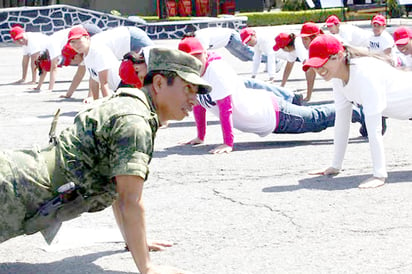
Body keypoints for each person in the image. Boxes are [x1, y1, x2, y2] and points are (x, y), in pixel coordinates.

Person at [0, 47, 211, 274]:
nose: (194, 100)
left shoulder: (130, 104)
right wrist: (147, 267)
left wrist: (134, 241)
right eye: (188, 89)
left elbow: (117, 191)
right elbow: (130, 200)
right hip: (14, 193)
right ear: (159, 83)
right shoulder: (135, 122)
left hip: (19, 182)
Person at [177, 37, 363, 154]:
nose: (194, 61)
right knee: (315, 117)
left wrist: (228, 143)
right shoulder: (194, 75)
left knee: (317, 119)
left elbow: (226, 109)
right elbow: (199, 104)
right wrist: (200, 136)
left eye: (197, 56)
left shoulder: (215, 71)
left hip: (271, 114)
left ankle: (360, 112)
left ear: (204, 53)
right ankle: (357, 111)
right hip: (265, 115)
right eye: (189, 59)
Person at [303, 34, 412, 189]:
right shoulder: (336, 78)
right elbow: (341, 121)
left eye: (323, 63)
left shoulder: (365, 74)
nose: (319, 69)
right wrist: (335, 165)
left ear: (339, 56)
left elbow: (374, 129)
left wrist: (379, 175)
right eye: (315, 64)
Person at [118, 48, 304, 106]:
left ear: (136, 65)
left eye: (137, 74)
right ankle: (289, 96)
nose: (140, 77)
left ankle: (289, 97)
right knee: (247, 85)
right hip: (200, 72)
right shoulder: (149, 63)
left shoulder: (154, 58)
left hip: (205, 68)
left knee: (247, 85)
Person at [67, 26, 122, 100]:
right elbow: (94, 81)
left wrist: (107, 106)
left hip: (124, 86)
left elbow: (104, 83)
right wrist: (95, 104)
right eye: (72, 42)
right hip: (116, 89)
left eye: (78, 40)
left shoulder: (97, 51)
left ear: (87, 38)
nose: (76, 45)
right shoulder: (86, 54)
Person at [185, 27, 264, 62]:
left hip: (231, 37)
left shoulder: (200, 38)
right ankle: (267, 61)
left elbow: (204, 54)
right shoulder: (197, 37)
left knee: (250, 54)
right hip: (227, 43)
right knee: (244, 58)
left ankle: (273, 60)